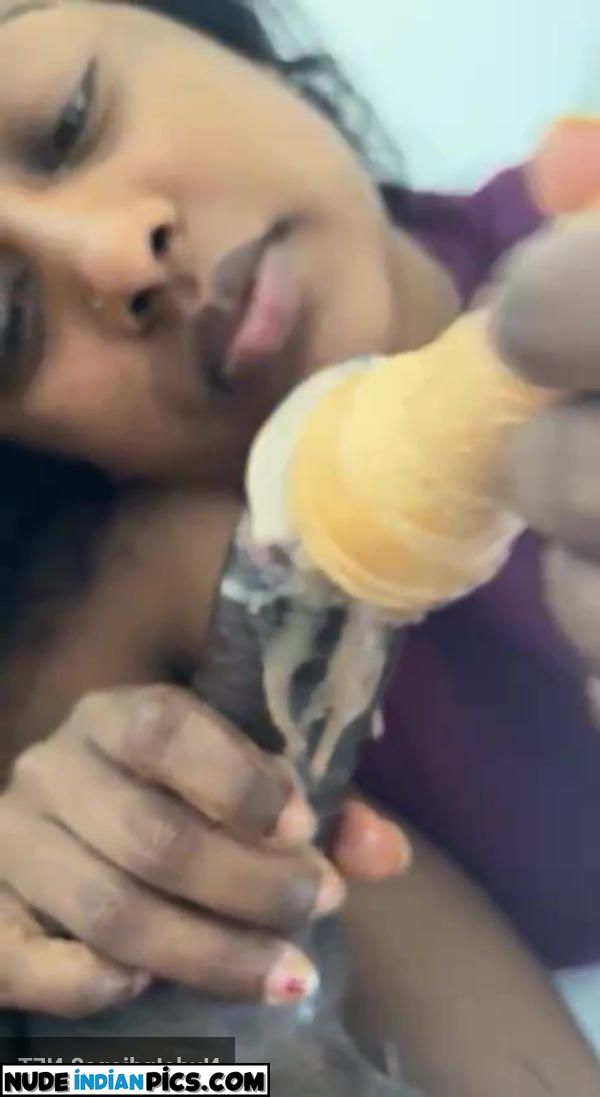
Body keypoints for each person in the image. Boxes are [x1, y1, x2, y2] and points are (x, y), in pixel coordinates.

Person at [0, 0, 598, 1090]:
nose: (117, 252)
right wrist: (86, 1031)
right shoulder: (137, 639)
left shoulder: (579, 216)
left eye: (71, 120)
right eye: (9, 326)